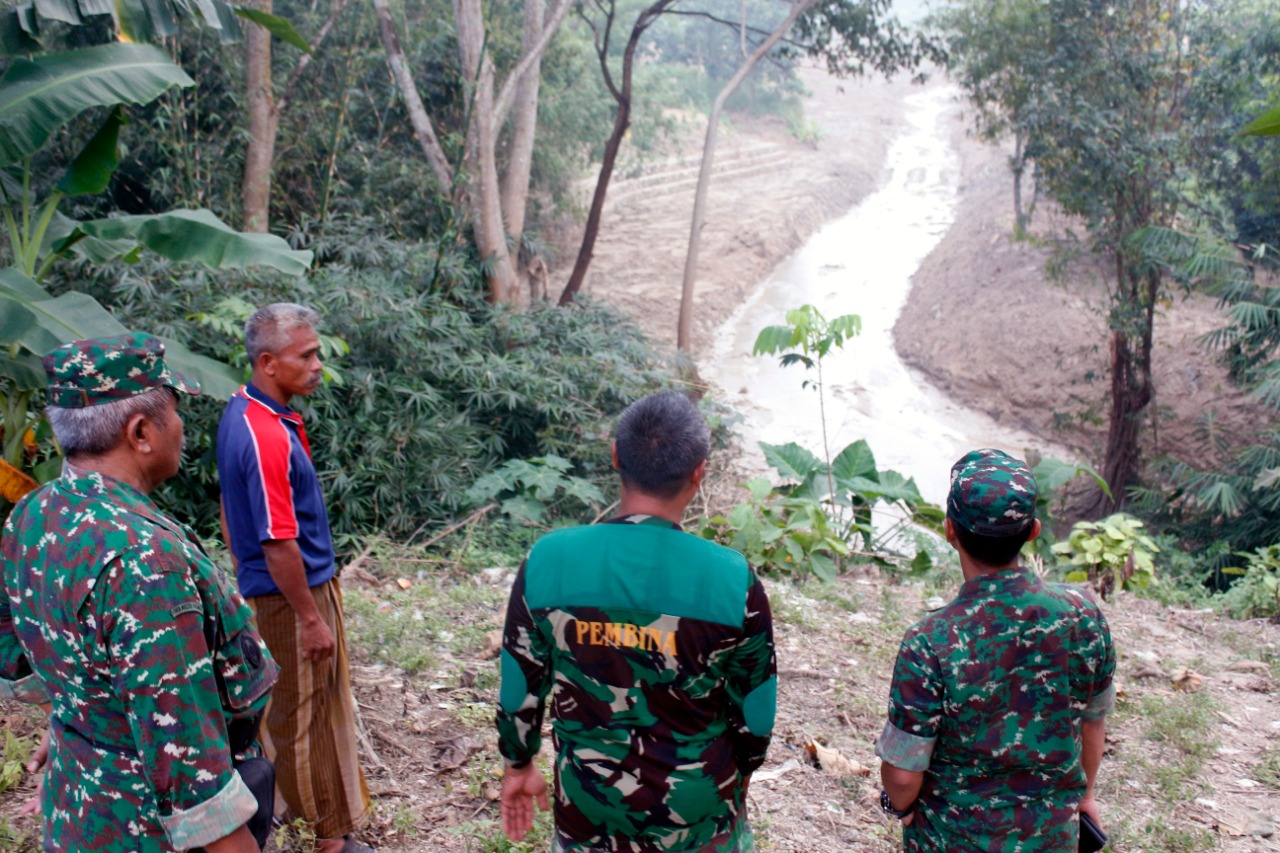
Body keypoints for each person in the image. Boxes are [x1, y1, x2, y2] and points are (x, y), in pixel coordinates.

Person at [0, 333, 279, 852]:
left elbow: (18, 651)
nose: (181, 426)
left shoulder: (33, 515)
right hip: (145, 827)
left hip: (78, 804)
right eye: (174, 412)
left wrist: (78, 716)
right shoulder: (144, 560)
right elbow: (192, 773)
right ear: (142, 432)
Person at [497, 391, 777, 853]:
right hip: (698, 809)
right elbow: (756, 714)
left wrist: (518, 763)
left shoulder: (550, 560)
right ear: (699, 472)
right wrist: (737, 775)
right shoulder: (731, 579)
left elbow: (519, 686)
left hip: (588, 805)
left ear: (614, 456)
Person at [876, 449, 1116, 852]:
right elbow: (1093, 722)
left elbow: (902, 778)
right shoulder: (1084, 616)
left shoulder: (930, 639)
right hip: (1052, 840)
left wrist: (897, 805)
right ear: (1034, 530)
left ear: (950, 530)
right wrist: (1085, 797)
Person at [217, 304, 372, 853]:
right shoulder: (264, 435)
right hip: (288, 594)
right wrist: (308, 617)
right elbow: (277, 541)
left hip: (282, 588)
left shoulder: (248, 412)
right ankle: (320, 841)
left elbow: (229, 511)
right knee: (299, 719)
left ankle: (329, 826)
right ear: (268, 362)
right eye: (304, 355)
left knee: (315, 707)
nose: (316, 364)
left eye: (317, 352)